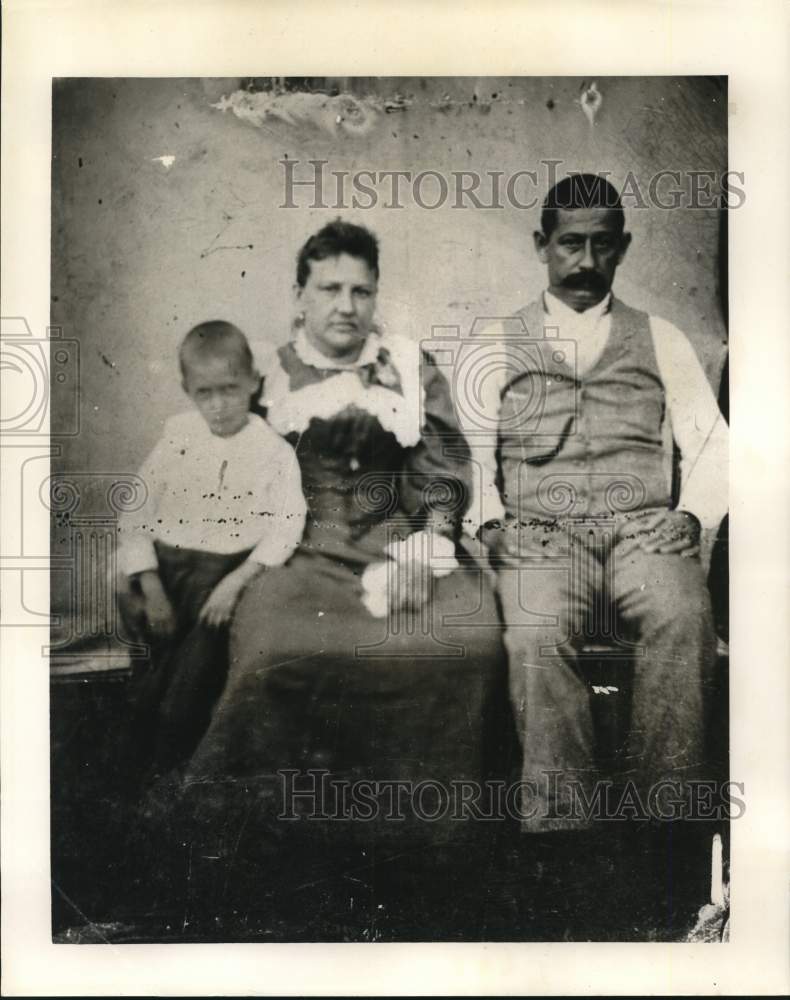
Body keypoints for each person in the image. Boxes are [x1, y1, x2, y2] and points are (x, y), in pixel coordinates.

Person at [163, 221, 510, 936]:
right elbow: (211, 458)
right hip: (298, 547)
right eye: (329, 289)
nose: (346, 305)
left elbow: (444, 473)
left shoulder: (410, 366)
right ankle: (272, 855)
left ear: (376, 294)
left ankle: (427, 859)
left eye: (362, 289)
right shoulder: (265, 371)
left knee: (468, 641)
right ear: (298, 296)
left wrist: (428, 545)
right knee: (273, 651)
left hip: (398, 541)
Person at [466, 175, 728, 924]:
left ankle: (664, 840)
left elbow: (715, 448)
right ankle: (566, 846)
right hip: (541, 534)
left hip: (640, 527)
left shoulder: (662, 337)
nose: (585, 261)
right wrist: (489, 524)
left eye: (602, 244)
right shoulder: (494, 341)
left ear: (623, 247)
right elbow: (468, 453)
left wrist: (688, 516)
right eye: (570, 243)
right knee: (535, 631)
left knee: (683, 619)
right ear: (541, 245)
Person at [117, 320, 306, 785]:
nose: (219, 405)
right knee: (154, 671)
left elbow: (287, 524)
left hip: (222, 575)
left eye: (230, 389)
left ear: (253, 383)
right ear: (187, 390)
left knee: (192, 676)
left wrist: (237, 580)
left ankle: (172, 768)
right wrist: (150, 581)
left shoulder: (273, 450)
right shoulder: (178, 437)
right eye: (205, 393)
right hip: (168, 568)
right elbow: (136, 512)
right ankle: (138, 760)